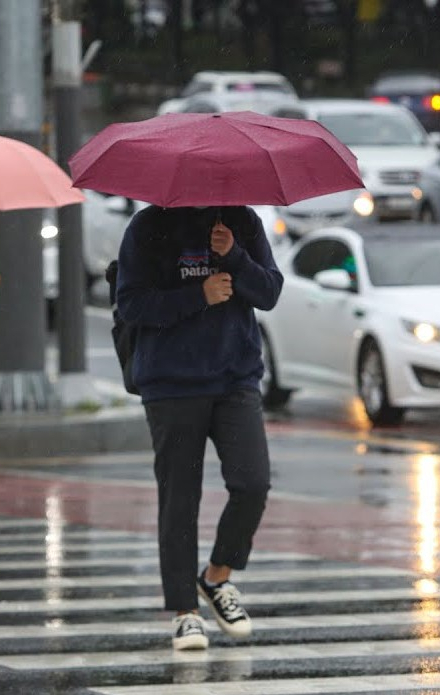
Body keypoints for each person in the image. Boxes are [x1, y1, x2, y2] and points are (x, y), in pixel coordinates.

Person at [116, 204, 282, 651]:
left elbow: (268, 292)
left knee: (253, 482)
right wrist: (198, 295)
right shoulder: (148, 227)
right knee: (179, 497)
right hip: (171, 383)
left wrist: (234, 257)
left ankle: (217, 577)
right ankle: (185, 612)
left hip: (235, 376)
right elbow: (130, 303)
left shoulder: (242, 221)